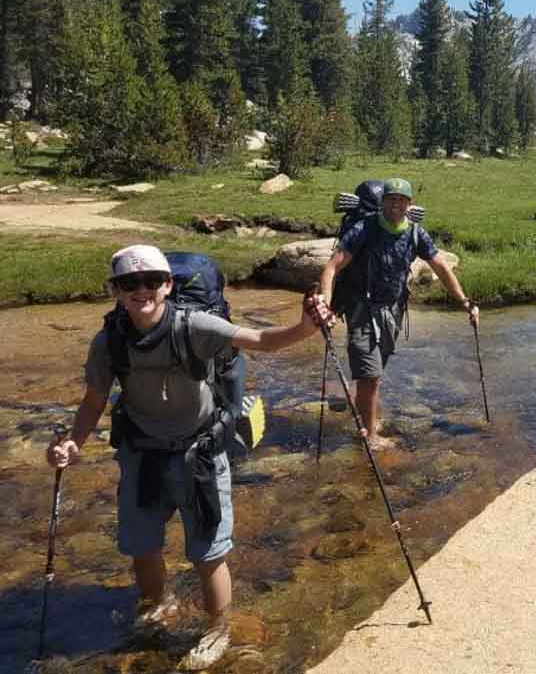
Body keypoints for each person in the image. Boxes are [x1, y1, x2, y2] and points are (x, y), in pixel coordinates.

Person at [46, 244, 331, 671]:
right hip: (141, 453)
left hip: (198, 452)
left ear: (167, 285)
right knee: (141, 546)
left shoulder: (194, 324)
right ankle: (159, 603)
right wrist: (73, 443)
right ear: (115, 290)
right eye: (129, 283)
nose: (141, 291)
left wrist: (306, 327)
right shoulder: (108, 341)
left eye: (151, 282)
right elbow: (93, 399)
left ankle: (219, 628)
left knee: (208, 552)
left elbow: (261, 340)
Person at [318, 176, 479, 450]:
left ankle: (367, 419)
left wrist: (464, 301)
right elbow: (332, 267)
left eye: (401, 201)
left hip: (393, 311)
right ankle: (370, 437)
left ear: (409, 204)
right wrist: (325, 305)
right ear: (383, 203)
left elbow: (441, 266)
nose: (396, 205)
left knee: (374, 373)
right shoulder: (364, 228)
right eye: (391, 200)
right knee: (371, 376)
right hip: (362, 311)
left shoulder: (416, 233)